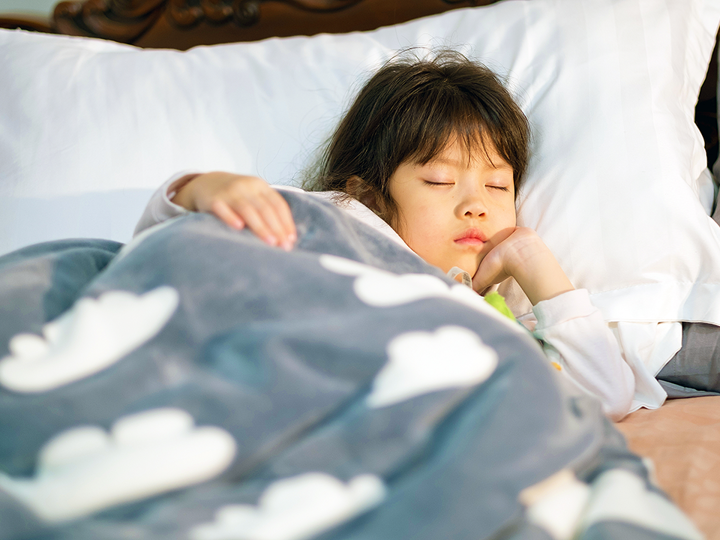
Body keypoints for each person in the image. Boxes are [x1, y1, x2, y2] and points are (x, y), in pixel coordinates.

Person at [134, 51, 636, 420]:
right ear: (369, 195)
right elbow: (164, 257)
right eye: (440, 180)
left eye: (497, 185)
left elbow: (605, 395)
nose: (476, 204)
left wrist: (531, 258)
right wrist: (202, 189)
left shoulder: (491, 311)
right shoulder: (334, 218)